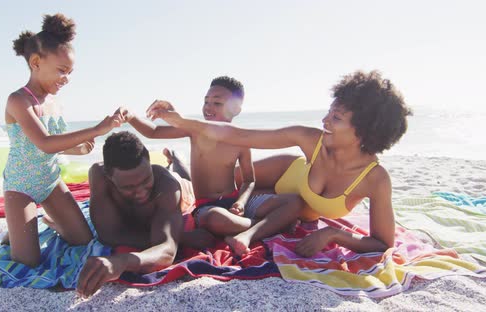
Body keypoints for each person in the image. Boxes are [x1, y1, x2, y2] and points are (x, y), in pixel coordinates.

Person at [147, 70, 412, 257]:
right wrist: (179, 120)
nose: (325, 121)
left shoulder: (374, 179)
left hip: (280, 200)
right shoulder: (311, 139)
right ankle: (179, 164)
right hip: (284, 172)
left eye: (337, 118)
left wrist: (333, 235)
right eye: (329, 113)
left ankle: (180, 166)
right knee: (212, 184)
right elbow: (239, 135)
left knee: (224, 197)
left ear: (365, 131)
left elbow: (382, 242)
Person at [3, 13, 124, 267]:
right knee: (28, 261)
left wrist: (79, 148)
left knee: (84, 241)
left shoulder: (53, 102)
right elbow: (45, 143)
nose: (66, 78)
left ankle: (48, 222)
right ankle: (15, 232)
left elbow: (58, 144)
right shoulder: (19, 100)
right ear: (36, 62)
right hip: (21, 186)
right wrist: (97, 128)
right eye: (61, 71)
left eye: (70, 72)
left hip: (50, 180)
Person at [123, 77, 275, 241]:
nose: (208, 107)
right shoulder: (196, 131)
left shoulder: (241, 141)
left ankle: (244, 226)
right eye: (206, 102)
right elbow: (153, 132)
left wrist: (241, 203)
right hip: (207, 208)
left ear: (236, 109)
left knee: (292, 203)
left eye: (217, 103)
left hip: (234, 204)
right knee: (216, 219)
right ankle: (261, 225)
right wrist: (131, 117)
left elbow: (249, 180)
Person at [76, 131, 187, 297]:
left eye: (145, 180)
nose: (141, 192)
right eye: (128, 187)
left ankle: (176, 159)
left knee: (182, 176)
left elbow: (167, 252)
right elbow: (107, 235)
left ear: (149, 163)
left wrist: (123, 261)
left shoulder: (168, 187)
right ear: (109, 176)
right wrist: (172, 239)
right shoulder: (99, 175)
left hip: (183, 188)